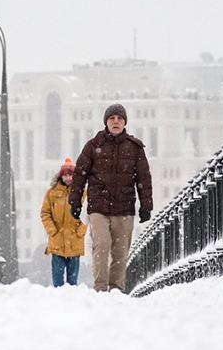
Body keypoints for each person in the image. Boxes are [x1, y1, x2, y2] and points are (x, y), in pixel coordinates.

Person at [68, 103, 153, 292]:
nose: (116, 121)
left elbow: (144, 178)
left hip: (124, 207)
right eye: (112, 118)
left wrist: (146, 205)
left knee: (121, 251)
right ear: (106, 122)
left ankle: (116, 288)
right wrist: (74, 202)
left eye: (120, 118)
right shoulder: (92, 146)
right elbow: (79, 175)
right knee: (102, 244)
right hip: (98, 206)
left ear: (124, 122)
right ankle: (100, 287)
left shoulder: (135, 148)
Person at [41, 158, 87, 287]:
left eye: (70, 175)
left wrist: (80, 232)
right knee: (57, 277)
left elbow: (88, 215)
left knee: (73, 279)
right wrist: (52, 231)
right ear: (61, 176)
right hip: (57, 241)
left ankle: (71, 301)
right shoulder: (51, 193)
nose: (68, 178)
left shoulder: (82, 193)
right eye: (65, 175)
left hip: (75, 240)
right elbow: (45, 213)